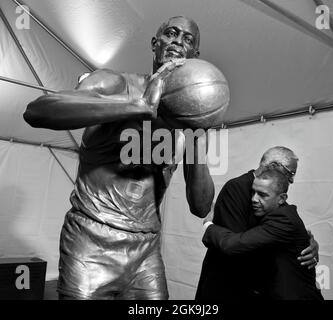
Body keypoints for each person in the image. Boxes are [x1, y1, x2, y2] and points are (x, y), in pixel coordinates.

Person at [23, 16, 214, 300]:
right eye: (171, 33)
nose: (177, 41)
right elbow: (38, 111)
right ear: (155, 44)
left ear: (195, 57)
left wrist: (197, 136)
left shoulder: (185, 122)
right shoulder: (115, 82)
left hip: (146, 249)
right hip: (91, 239)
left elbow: (200, 206)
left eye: (188, 39)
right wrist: (138, 105)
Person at [195, 146, 319, 300]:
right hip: (226, 286)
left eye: (262, 195)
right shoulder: (237, 188)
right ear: (274, 166)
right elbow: (237, 247)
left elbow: (284, 230)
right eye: (291, 172)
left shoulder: (276, 198)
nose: (292, 179)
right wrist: (209, 226)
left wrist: (303, 245)